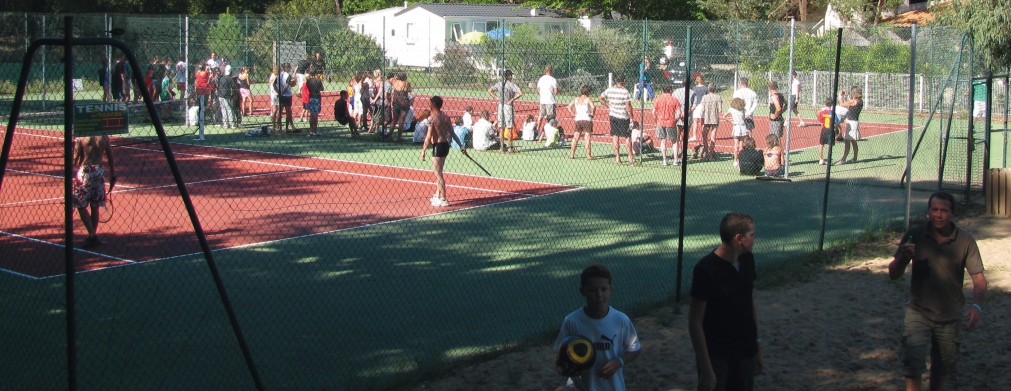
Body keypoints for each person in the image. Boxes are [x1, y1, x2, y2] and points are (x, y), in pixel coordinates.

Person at [888, 191, 987, 391]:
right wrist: (903, 258)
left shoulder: (965, 241)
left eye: (943, 210)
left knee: (943, 366)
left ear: (952, 213)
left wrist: (977, 306)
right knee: (912, 364)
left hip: (950, 314)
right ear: (928, 211)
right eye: (934, 210)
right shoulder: (915, 234)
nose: (938, 215)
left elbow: (979, 279)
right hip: (918, 311)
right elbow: (893, 273)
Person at [689, 212, 765, 391]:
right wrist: (706, 369)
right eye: (752, 235)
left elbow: (749, 302)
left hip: (746, 352)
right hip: (717, 356)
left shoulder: (748, 259)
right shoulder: (705, 269)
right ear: (739, 238)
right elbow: (694, 322)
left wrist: (758, 346)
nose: (755, 238)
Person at [554, 263, 641, 391]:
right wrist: (566, 370)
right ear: (583, 291)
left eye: (603, 289)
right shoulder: (572, 321)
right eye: (592, 290)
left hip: (612, 387)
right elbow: (560, 357)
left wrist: (618, 362)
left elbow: (635, 349)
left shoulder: (620, 320)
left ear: (610, 289)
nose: (599, 295)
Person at [420, 96, 467, 207]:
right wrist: (461, 145)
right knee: (440, 171)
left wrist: (423, 150)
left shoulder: (432, 119)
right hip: (445, 145)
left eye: (430, 103)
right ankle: (437, 194)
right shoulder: (445, 117)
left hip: (438, 146)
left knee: (438, 174)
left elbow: (428, 136)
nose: (429, 105)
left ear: (434, 105)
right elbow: (452, 133)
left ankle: (444, 198)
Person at [73, 135, 115, 249]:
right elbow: (110, 157)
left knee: (79, 204)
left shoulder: (81, 136)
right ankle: (92, 237)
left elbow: (75, 159)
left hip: (86, 170)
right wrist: (112, 173)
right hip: (99, 170)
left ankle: (92, 234)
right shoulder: (104, 137)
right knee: (94, 205)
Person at [599, 74, 636, 165]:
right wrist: (631, 117)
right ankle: (630, 157)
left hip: (613, 115)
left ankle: (617, 157)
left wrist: (607, 105)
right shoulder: (625, 92)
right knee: (627, 137)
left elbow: (600, 98)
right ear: (624, 81)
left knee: (615, 136)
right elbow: (628, 105)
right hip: (623, 116)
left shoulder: (610, 90)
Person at [488, 69, 523, 153]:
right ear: (510, 76)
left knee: (501, 127)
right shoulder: (511, 85)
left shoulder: (500, 84)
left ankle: (501, 147)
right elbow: (520, 93)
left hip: (501, 105)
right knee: (510, 127)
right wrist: (512, 99)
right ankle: (510, 147)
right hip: (508, 105)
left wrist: (496, 97)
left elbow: (490, 90)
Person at [653, 84, 682, 166]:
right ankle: (675, 160)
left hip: (661, 121)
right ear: (670, 90)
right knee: (674, 141)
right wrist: (675, 120)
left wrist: (656, 120)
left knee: (663, 141)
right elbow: (679, 112)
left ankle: (664, 160)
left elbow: (653, 112)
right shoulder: (674, 99)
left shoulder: (658, 99)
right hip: (671, 122)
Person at [567, 85, 596, 160]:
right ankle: (588, 155)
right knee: (587, 138)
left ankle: (572, 154)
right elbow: (593, 107)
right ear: (588, 92)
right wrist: (592, 114)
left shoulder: (576, 99)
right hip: (587, 119)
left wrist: (573, 114)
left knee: (576, 137)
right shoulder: (588, 99)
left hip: (578, 119)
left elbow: (569, 106)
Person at [837, 87, 863, 164]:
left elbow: (842, 104)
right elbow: (851, 102)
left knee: (847, 141)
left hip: (851, 123)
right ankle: (854, 158)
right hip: (855, 122)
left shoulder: (853, 102)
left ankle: (843, 159)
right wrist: (848, 97)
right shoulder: (860, 101)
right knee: (853, 142)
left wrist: (840, 96)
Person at [698, 84, 723, 161]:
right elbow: (720, 110)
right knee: (713, 136)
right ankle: (711, 154)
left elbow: (703, 109)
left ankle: (706, 153)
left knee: (705, 137)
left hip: (707, 119)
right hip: (714, 119)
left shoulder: (705, 97)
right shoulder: (718, 97)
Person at [725, 97, 748, 167]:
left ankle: (735, 161)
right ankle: (740, 160)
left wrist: (731, 122)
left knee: (736, 145)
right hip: (743, 127)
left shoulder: (731, 110)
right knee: (741, 146)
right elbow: (744, 118)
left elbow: (724, 116)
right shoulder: (743, 110)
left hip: (736, 127)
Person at [391, 72, 413, 141]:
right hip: (404, 103)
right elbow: (410, 90)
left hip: (396, 102)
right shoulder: (406, 83)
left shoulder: (394, 82)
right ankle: (399, 137)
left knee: (394, 121)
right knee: (401, 121)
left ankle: (389, 135)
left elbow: (392, 79)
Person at [537, 65, 559, 135]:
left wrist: (542, 95)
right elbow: (555, 92)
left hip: (542, 100)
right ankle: (551, 132)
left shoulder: (541, 79)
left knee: (540, 116)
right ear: (551, 71)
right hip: (550, 101)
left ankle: (537, 131)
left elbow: (538, 90)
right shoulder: (553, 79)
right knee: (551, 118)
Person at [276, 63, 296, 133]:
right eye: (289, 68)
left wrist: (278, 92)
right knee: (288, 111)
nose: (290, 69)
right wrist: (283, 92)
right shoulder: (288, 75)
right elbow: (287, 85)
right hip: (287, 95)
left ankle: (277, 126)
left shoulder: (279, 75)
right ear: (287, 68)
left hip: (281, 95)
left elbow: (274, 84)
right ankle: (287, 127)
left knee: (280, 110)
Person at [689, 76, 708, 143]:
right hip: (703, 105)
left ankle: (694, 136)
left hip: (696, 105)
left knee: (695, 121)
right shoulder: (705, 88)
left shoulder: (694, 88)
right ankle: (702, 136)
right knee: (702, 122)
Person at [193, 65, 210, 140]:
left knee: (202, 107)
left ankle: (202, 119)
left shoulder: (198, 72)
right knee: (202, 107)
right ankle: (201, 119)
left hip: (201, 90)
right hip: (202, 90)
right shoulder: (205, 73)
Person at [816, 98, 835, 165]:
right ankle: (829, 159)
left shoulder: (822, 112)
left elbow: (820, 119)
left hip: (824, 129)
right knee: (829, 145)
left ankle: (821, 159)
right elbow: (835, 120)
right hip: (830, 130)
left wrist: (818, 114)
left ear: (825, 104)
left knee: (821, 145)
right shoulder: (832, 112)